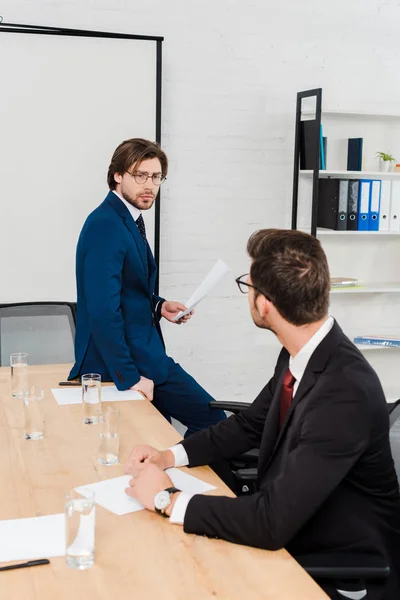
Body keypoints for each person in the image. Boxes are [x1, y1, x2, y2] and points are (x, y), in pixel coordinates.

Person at [124, 229, 400, 600]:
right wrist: (169, 455)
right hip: (293, 523)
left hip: (340, 566)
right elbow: (249, 425)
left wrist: (167, 500)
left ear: (265, 304)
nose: (248, 294)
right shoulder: (303, 352)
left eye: (247, 284)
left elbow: (271, 522)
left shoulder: (343, 393)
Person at [69, 138, 226, 435]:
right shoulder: (106, 225)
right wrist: (129, 377)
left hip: (146, 354)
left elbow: (127, 289)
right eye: (140, 175)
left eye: (156, 177)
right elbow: (103, 312)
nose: (149, 185)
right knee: (209, 425)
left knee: (207, 422)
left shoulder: (127, 219)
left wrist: (159, 306)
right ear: (118, 175)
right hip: (123, 364)